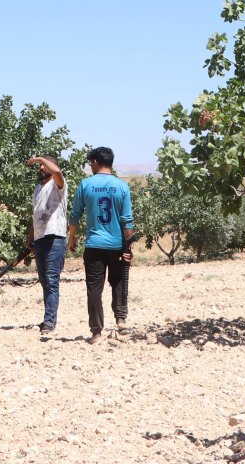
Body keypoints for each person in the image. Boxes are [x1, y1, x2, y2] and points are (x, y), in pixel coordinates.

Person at [67, 146, 135, 345]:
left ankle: (96, 333)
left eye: (90, 163)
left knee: (94, 289)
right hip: (116, 244)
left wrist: (72, 238)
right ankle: (121, 320)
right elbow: (127, 220)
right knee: (119, 281)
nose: (90, 166)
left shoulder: (85, 185)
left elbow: (75, 215)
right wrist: (128, 247)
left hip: (94, 244)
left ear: (96, 162)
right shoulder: (122, 186)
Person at [25, 155, 67, 335]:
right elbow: (36, 215)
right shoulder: (38, 189)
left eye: (44, 166)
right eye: (40, 166)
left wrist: (40, 158)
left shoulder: (58, 184)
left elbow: (57, 171)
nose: (41, 168)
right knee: (44, 281)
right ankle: (47, 319)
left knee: (51, 280)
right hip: (41, 239)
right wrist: (30, 238)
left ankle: (50, 322)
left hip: (55, 237)